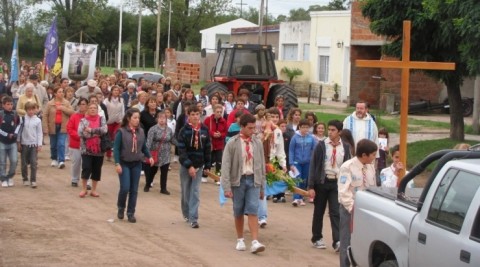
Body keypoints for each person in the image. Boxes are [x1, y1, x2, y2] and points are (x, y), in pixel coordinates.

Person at [221, 113, 266, 254]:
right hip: (238, 181)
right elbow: (226, 166)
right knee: (238, 210)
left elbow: (262, 165)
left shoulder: (257, 143)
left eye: (254, 128)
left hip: (253, 180)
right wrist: (226, 187)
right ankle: (240, 239)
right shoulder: (232, 143)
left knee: (253, 209)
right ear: (242, 127)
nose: (253, 131)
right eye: (250, 128)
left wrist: (262, 186)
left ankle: (254, 241)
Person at [308, 119, 351, 251]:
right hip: (322, 182)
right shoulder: (321, 145)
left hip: (336, 183)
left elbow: (347, 166)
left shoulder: (345, 147)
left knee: (335, 212)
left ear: (340, 132)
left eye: (333, 130)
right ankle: (317, 237)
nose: (330, 132)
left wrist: (347, 185)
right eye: (329, 130)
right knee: (319, 211)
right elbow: (313, 164)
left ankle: (337, 240)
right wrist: (310, 186)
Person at [338, 139, 378, 267]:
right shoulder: (347, 167)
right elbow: (343, 192)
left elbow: (374, 187)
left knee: (365, 243)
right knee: (347, 243)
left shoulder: (371, 166)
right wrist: (353, 209)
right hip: (350, 211)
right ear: (364, 155)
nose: (375, 157)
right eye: (373, 154)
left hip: (367, 211)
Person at [113, 108, 154, 223]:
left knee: (134, 190)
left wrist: (149, 156)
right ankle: (121, 207)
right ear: (128, 118)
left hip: (136, 163)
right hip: (124, 163)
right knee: (125, 187)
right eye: (135, 118)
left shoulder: (140, 131)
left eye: (138, 118)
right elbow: (116, 149)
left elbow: (144, 147)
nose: (137, 120)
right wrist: (117, 163)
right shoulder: (121, 132)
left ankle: (131, 212)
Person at [177, 105, 211, 228]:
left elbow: (207, 148)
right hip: (186, 166)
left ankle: (193, 218)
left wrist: (207, 164)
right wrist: (189, 166)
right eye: (193, 115)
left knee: (195, 192)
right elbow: (181, 151)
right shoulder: (183, 131)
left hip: (199, 165)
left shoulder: (204, 130)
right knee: (186, 191)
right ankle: (186, 212)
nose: (195, 117)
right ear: (188, 116)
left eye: (197, 114)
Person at [258, 107, 287, 227]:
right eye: (271, 117)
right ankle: (257, 214)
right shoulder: (259, 129)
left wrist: (283, 164)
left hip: (271, 163)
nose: (274, 120)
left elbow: (280, 150)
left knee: (263, 190)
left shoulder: (278, 132)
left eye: (276, 117)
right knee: (259, 188)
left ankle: (262, 216)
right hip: (259, 163)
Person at [77, 103, 107, 198]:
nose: (93, 109)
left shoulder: (102, 119)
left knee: (96, 170)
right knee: (86, 168)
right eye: (91, 108)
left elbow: (104, 130)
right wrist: (96, 134)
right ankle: (84, 189)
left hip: (99, 150)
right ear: (87, 110)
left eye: (95, 108)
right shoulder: (83, 120)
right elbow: (81, 133)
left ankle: (93, 190)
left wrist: (91, 130)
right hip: (86, 149)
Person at [42, 87, 74, 169]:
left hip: (63, 126)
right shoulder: (50, 103)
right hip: (52, 126)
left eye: (62, 92)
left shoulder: (66, 103)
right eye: (59, 92)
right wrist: (45, 128)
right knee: (53, 144)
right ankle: (54, 158)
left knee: (61, 143)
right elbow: (45, 115)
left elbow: (72, 113)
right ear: (55, 93)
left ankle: (61, 161)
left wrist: (63, 108)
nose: (62, 93)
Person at [145, 111, 176, 194]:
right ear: (157, 119)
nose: (162, 120)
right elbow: (148, 142)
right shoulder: (153, 129)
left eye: (164, 118)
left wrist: (180, 145)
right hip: (155, 153)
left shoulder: (169, 130)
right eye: (160, 118)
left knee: (164, 171)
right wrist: (147, 153)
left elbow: (172, 140)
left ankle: (163, 188)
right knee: (153, 171)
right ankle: (148, 184)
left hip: (166, 154)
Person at [289, 119, 317, 206]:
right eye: (303, 127)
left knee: (304, 180)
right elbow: (291, 151)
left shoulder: (311, 138)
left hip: (307, 162)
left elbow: (315, 149)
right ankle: (296, 198)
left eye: (307, 127)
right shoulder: (294, 137)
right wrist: (291, 163)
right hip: (297, 162)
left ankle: (301, 198)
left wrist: (313, 161)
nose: (305, 129)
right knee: (297, 179)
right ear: (299, 127)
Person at [17, 101, 42, 188]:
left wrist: (39, 144)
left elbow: (39, 133)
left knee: (33, 163)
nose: (31, 111)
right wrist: (18, 142)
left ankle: (33, 180)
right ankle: (25, 179)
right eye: (29, 110)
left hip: (33, 145)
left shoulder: (38, 120)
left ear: (35, 110)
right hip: (24, 144)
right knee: (24, 163)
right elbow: (19, 131)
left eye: (32, 109)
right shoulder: (22, 119)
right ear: (26, 110)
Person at [66, 98, 88, 187]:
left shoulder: (90, 117)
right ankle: (74, 179)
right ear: (78, 105)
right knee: (76, 162)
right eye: (81, 104)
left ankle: (87, 181)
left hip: (87, 144)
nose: (82, 106)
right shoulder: (74, 116)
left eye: (84, 104)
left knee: (86, 164)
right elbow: (69, 129)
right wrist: (79, 136)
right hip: (76, 143)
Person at [203, 104, 227, 181]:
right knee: (209, 160)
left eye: (221, 112)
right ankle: (204, 175)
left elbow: (225, 132)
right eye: (217, 112)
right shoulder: (208, 120)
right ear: (214, 112)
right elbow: (204, 130)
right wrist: (212, 133)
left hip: (219, 144)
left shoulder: (224, 121)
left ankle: (217, 178)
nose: (219, 113)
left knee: (219, 162)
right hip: (210, 144)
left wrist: (220, 134)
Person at [0, 96, 20, 187]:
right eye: (8, 104)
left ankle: (10, 176)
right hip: (2, 141)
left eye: (11, 104)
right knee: (2, 162)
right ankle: (3, 178)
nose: (10, 106)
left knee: (14, 160)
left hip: (13, 142)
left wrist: (15, 134)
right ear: (3, 105)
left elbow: (19, 125)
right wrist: (7, 134)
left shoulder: (15, 114)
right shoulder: (1, 115)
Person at [103, 85, 125, 161]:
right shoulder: (106, 100)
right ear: (111, 91)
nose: (116, 92)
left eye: (117, 90)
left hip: (118, 121)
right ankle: (108, 154)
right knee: (109, 138)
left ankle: (116, 155)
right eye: (114, 90)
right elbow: (104, 111)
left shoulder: (121, 100)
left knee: (116, 137)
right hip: (109, 121)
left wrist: (122, 119)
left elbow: (123, 111)